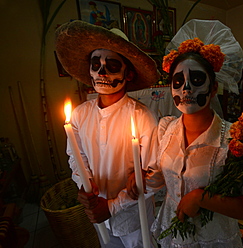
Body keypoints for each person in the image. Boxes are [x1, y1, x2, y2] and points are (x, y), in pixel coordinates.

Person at [128, 19, 243, 247]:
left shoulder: (234, 140)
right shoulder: (165, 129)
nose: (186, 88)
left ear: (214, 87)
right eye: (178, 81)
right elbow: (161, 179)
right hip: (173, 233)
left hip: (213, 239)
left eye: (196, 80)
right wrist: (139, 177)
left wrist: (201, 198)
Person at [55, 20, 160, 247]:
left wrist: (112, 206)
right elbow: (76, 157)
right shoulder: (79, 115)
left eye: (112, 65)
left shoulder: (143, 117)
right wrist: (84, 182)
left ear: (128, 74)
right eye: (96, 64)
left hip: (134, 220)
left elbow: (156, 176)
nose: (102, 72)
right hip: (99, 219)